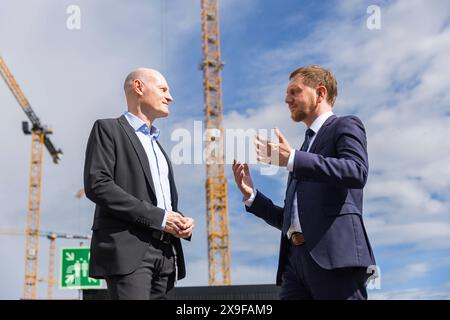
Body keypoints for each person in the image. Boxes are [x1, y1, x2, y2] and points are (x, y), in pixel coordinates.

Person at [232, 65, 376, 300]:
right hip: (295, 264)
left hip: (335, 259)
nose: (286, 99)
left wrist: (293, 159)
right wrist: (252, 196)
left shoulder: (345, 125)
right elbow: (291, 221)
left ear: (320, 93)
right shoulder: (302, 151)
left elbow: (356, 171)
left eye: (294, 91)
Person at [84, 68, 194, 300]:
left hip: (167, 255)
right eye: (163, 89)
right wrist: (160, 218)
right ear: (139, 87)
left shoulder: (159, 149)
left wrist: (179, 219)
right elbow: (98, 184)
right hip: (130, 252)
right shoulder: (108, 129)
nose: (170, 97)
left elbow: (158, 201)